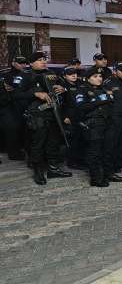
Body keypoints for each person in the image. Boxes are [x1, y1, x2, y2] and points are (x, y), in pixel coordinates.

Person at [18, 52, 73, 185]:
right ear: (31, 63)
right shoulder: (25, 75)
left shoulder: (51, 73)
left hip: (54, 113)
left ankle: (53, 169)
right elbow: (16, 94)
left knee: (53, 142)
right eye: (39, 60)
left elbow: (64, 86)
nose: (43, 62)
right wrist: (36, 93)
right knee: (38, 143)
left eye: (44, 59)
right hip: (38, 115)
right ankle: (38, 171)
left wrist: (63, 88)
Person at [77, 68, 120, 187]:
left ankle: (108, 173)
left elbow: (111, 103)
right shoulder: (83, 90)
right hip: (94, 124)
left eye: (100, 76)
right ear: (87, 78)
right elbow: (82, 106)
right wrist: (102, 99)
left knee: (108, 150)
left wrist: (103, 98)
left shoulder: (103, 89)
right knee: (94, 152)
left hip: (108, 123)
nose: (99, 78)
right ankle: (95, 178)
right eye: (95, 76)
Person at [2, 56, 29, 160]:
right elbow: (9, 90)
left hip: (23, 106)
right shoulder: (6, 75)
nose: (23, 65)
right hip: (9, 107)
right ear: (13, 63)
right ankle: (13, 153)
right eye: (20, 63)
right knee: (12, 129)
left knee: (23, 129)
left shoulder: (27, 74)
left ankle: (21, 149)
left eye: (24, 63)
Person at [61, 66, 86, 170]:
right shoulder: (62, 87)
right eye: (70, 74)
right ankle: (72, 162)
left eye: (75, 73)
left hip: (80, 115)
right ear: (64, 76)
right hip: (69, 117)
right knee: (72, 140)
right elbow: (60, 104)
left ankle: (80, 159)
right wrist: (64, 116)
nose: (74, 75)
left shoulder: (80, 84)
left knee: (81, 139)